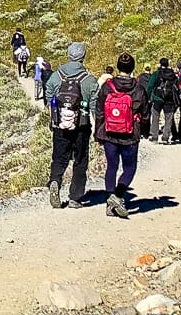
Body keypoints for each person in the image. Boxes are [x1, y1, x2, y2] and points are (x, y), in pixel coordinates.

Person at [94, 52, 151, 217]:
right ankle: (118, 195)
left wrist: (98, 132)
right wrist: (145, 132)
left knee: (111, 167)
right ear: (133, 68)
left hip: (109, 133)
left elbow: (99, 111)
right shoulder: (139, 89)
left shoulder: (107, 87)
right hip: (130, 135)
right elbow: (145, 114)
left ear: (118, 67)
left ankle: (110, 201)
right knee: (130, 168)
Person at [43, 43, 95, 207]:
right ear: (83, 57)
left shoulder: (56, 76)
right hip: (81, 126)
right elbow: (95, 105)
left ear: (68, 55)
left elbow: (48, 94)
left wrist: (55, 112)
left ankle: (55, 181)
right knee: (80, 160)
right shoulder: (89, 80)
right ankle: (75, 197)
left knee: (59, 158)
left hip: (60, 125)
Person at [148, 57, 179, 144]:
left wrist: (148, 97)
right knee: (168, 118)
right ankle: (165, 138)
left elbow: (150, 86)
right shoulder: (172, 74)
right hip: (169, 99)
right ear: (168, 64)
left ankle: (154, 137)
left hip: (157, 98)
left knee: (155, 117)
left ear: (160, 64)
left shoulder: (156, 74)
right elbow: (177, 87)